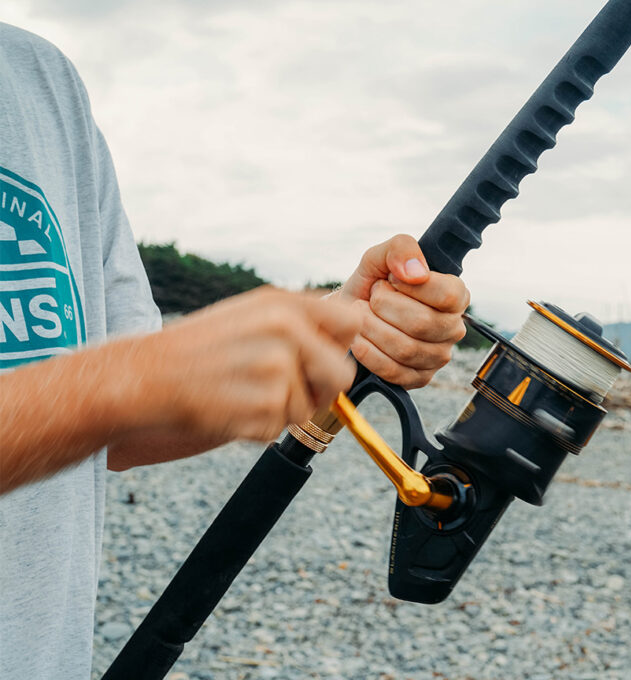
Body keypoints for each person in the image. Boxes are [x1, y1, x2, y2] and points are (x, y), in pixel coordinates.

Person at [0, 22, 469, 678]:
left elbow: (112, 437)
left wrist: (325, 339)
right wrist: (115, 384)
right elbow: (104, 395)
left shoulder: (42, 82)